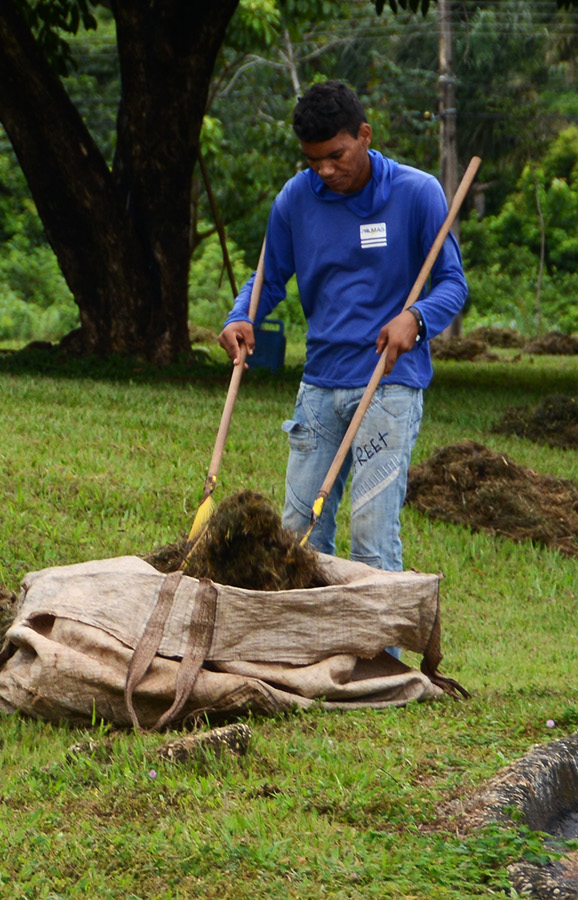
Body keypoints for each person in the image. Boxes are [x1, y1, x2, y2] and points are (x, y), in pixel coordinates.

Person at [219, 80, 466, 573]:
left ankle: (383, 652)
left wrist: (414, 319)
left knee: (372, 539)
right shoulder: (295, 199)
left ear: (365, 135)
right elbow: (269, 279)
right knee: (298, 533)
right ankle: (311, 645)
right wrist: (241, 316)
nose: (326, 171)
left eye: (336, 155)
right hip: (320, 386)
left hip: (388, 386)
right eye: (313, 161)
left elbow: (452, 285)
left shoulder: (417, 194)